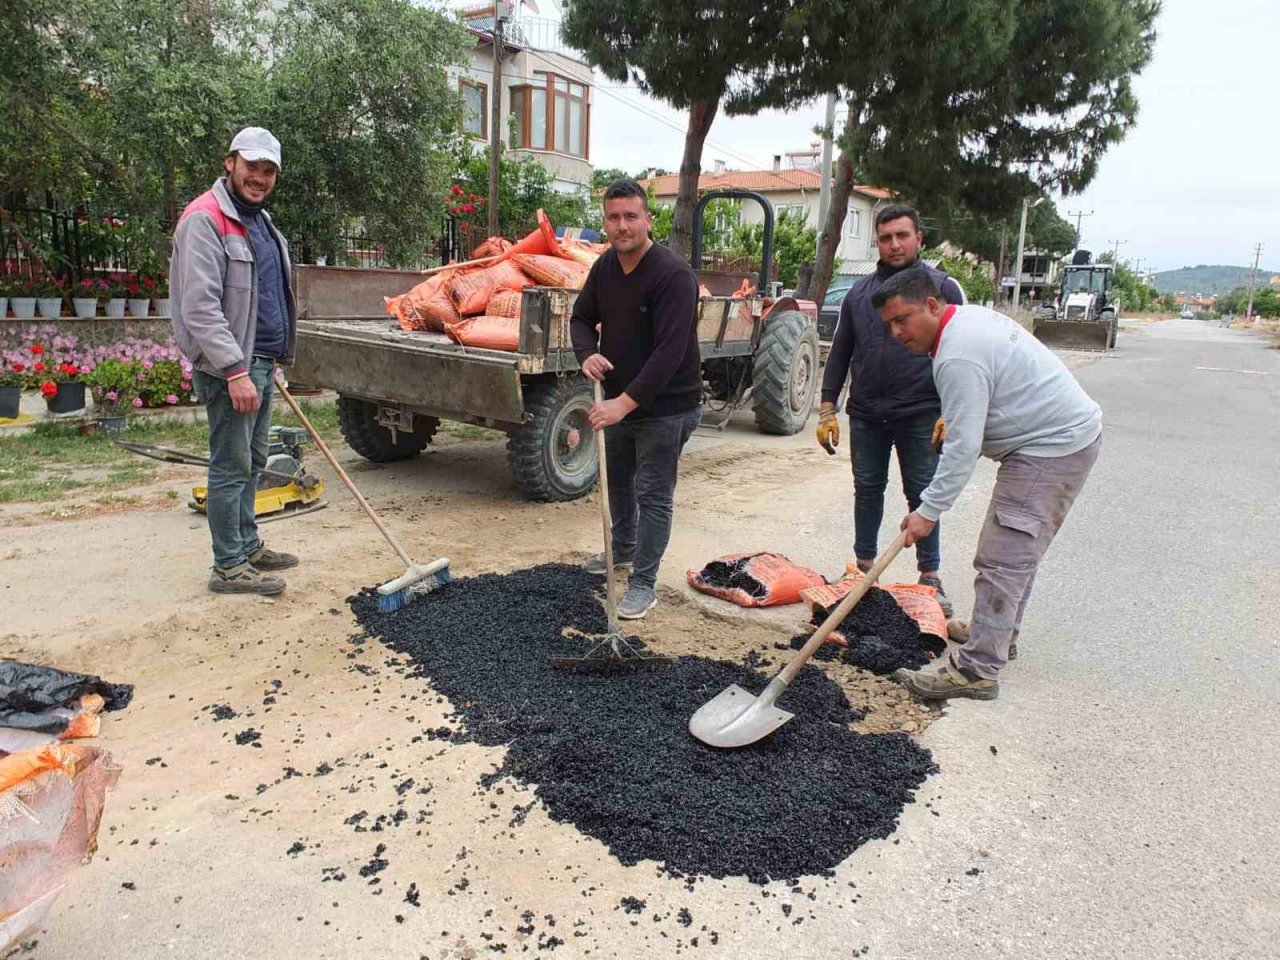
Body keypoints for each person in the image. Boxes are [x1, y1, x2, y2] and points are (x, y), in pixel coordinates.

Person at [874, 268, 1102, 700]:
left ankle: (977, 670)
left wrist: (927, 511)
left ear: (932, 305)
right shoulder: (963, 323)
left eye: (902, 319)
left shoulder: (957, 354)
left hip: (1050, 449)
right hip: (1058, 440)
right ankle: (995, 636)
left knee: (1003, 557)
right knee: (1018, 555)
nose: (896, 332)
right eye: (888, 324)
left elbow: (962, 447)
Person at [816, 204, 967, 615]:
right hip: (867, 413)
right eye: (886, 237)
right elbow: (841, 352)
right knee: (867, 489)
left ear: (920, 237)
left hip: (923, 413)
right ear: (876, 243)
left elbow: (963, 352)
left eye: (902, 235)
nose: (894, 244)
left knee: (923, 494)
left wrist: (951, 411)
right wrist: (828, 407)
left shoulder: (943, 289)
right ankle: (864, 569)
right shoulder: (859, 295)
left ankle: (930, 576)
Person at [170, 127, 298, 596]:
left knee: (255, 459)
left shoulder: (260, 222)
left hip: (260, 362)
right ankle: (228, 567)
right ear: (230, 163)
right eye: (252, 167)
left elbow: (266, 296)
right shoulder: (205, 219)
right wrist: (235, 369)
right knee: (231, 465)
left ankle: (247, 545)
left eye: (268, 171)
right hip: (232, 370)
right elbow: (199, 308)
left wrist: (270, 359)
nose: (259, 178)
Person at [569, 178, 702, 620]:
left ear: (648, 219)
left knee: (653, 493)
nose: (622, 225)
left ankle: (643, 583)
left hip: (668, 406)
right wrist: (587, 354)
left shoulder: (673, 275)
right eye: (613, 217)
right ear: (605, 221)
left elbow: (670, 353)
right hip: (619, 399)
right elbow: (582, 317)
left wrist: (621, 405)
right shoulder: (605, 268)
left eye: (631, 216)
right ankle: (622, 549)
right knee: (618, 481)